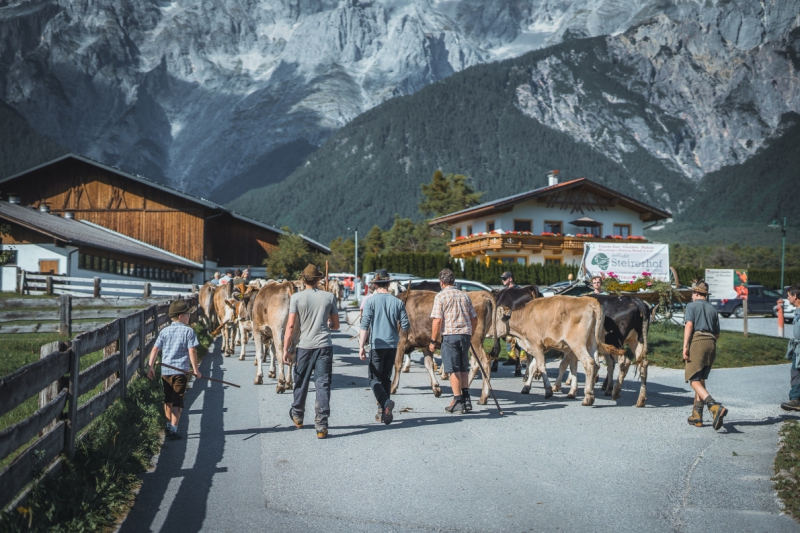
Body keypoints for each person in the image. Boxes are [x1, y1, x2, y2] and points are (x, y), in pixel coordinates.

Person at [284, 264, 340, 439]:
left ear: (303, 279)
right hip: (324, 346)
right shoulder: (329, 296)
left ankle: (297, 415)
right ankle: (321, 425)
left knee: (301, 381)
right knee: (322, 383)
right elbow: (336, 325)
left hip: (304, 346)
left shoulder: (296, 297)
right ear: (319, 279)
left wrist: (286, 349)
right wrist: (327, 323)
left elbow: (290, 326)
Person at [359, 269, 409, 424]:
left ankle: (385, 403)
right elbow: (406, 325)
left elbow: (364, 325)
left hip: (377, 344)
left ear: (375, 284)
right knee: (386, 378)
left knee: (374, 378)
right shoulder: (398, 302)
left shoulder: (370, 301)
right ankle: (383, 412)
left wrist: (361, 346)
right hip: (392, 345)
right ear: (388, 284)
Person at [147, 300, 201, 440]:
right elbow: (192, 351)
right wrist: (196, 370)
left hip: (166, 371)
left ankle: (168, 425)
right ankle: (174, 429)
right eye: (188, 314)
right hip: (181, 372)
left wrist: (150, 367)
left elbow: (155, 349)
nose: (189, 316)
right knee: (178, 401)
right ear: (181, 316)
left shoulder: (164, 331)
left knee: (168, 399)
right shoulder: (188, 331)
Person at [430, 268, 477, 414]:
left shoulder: (440, 296)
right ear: (453, 281)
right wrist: (471, 333)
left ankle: (457, 400)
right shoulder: (464, 295)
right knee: (463, 368)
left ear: (441, 282)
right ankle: (466, 398)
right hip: (465, 335)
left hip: (450, 336)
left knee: (453, 369)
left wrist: (433, 340)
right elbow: (474, 318)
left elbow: (437, 320)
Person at [683, 280, 728, 430]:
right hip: (711, 344)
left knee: (693, 380)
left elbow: (689, 325)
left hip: (698, 342)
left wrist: (685, 346)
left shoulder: (691, 306)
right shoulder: (713, 309)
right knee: (700, 379)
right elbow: (717, 334)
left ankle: (714, 406)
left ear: (696, 293)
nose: (692, 295)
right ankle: (697, 416)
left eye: (692, 293)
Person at [781, 285, 800, 411]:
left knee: (796, 373)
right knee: (796, 372)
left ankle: (795, 399)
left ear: (795, 296)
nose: (787, 298)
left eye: (789, 295)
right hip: (797, 347)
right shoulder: (797, 311)